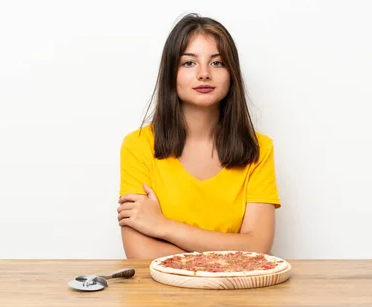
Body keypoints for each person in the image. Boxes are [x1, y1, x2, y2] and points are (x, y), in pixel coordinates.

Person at [117, 13, 281, 259]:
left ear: (231, 74)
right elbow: (140, 253)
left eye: (217, 63)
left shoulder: (259, 148)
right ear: (171, 73)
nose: (204, 74)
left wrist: (162, 226)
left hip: (236, 293)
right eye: (189, 63)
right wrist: (231, 250)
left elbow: (257, 247)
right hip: (160, 296)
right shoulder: (137, 145)